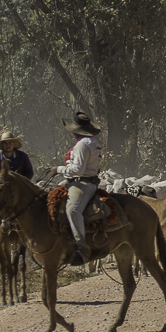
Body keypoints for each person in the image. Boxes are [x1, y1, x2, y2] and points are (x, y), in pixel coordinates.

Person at [49, 112, 103, 265]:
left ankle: (82, 249)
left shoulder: (82, 144)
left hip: (82, 183)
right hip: (81, 181)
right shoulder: (92, 142)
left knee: (73, 210)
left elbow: (78, 169)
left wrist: (58, 169)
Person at [0, 132, 34, 247]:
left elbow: (30, 172)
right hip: (3, 190)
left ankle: (37, 233)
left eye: (10, 142)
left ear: (14, 144)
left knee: (36, 203)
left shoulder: (22, 157)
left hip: (20, 190)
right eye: (5, 143)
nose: (8, 145)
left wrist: (21, 182)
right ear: (2, 146)